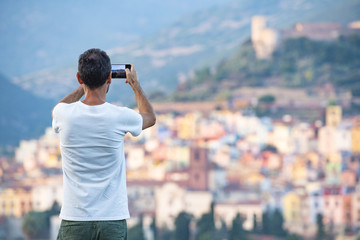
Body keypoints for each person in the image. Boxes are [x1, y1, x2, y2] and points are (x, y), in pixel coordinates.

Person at [52, 48, 156, 240]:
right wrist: (135, 84)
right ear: (109, 78)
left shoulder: (64, 115)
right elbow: (150, 117)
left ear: (79, 78)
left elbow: (57, 109)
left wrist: (85, 84)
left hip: (75, 219)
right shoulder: (120, 116)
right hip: (112, 220)